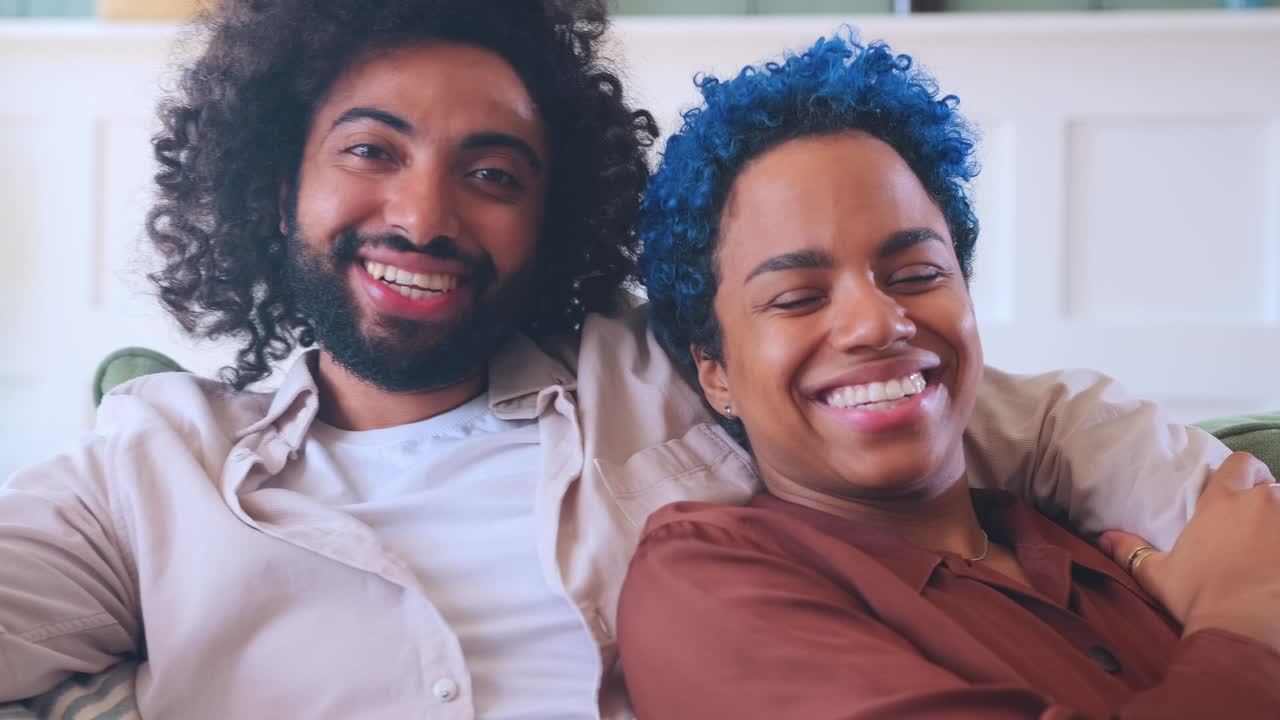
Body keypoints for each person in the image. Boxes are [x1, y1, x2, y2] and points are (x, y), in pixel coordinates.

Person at [0, 2, 1234, 718]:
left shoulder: (663, 378)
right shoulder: (146, 470)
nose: (425, 215)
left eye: (493, 174)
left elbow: (1024, 416)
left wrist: (1247, 578)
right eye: (371, 152)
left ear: (554, 218)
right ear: (279, 182)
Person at [617, 31, 1280, 719]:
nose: (877, 324)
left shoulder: (1104, 526)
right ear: (715, 371)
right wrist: (1244, 618)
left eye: (916, 276)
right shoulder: (707, 581)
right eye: (799, 298)